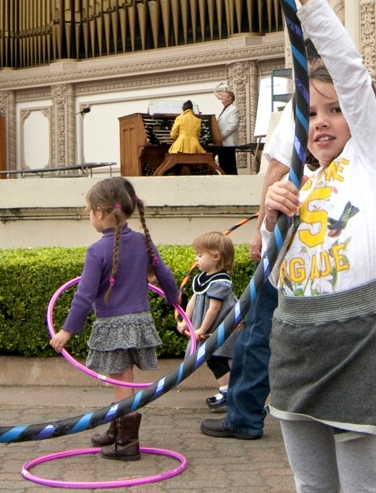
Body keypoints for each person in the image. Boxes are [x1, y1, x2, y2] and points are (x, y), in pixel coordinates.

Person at [258, 0, 376, 493]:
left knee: (363, 486)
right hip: (295, 334)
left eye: (336, 109)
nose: (322, 121)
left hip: (355, 336)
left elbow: (348, 66)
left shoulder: (371, 159)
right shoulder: (300, 179)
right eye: (311, 111)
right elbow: (272, 275)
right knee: (311, 484)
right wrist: (274, 219)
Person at [200, 41, 323, 441]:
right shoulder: (336, 107)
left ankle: (244, 416)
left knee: (257, 331)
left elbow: (277, 168)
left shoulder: (302, 107)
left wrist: (261, 231)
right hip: (319, 240)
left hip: (289, 243)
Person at [49, 176, 179, 461]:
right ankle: (116, 430)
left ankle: (127, 443)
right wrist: (174, 300)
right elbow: (164, 274)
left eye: (89, 212)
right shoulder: (143, 241)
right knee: (121, 378)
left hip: (113, 325)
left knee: (121, 381)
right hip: (140, 322)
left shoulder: (96, 251)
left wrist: (67, 331)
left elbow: (84, 296)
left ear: (99, 212)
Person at [177, 231, 239, 408]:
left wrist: (202, 330)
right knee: (212, 358)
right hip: (207, 326)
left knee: (215, 357)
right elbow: (193, 302)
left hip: (219, 326)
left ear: (215, 257)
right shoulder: (201, 278)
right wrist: (185, 322)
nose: (196, 259)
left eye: (199, 255)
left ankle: (228, 392)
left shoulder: (221, 281)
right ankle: (228, 389)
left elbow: (214, 309)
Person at [216, 90, 240, 174]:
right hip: (223, 143)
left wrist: (221, 135)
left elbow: (233, 125)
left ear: (230, 98)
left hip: (228, 142)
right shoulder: (225, 109)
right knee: (223, 165)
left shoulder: (233, 109)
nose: (221, 97)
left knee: (229, 166)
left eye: (224, 96)